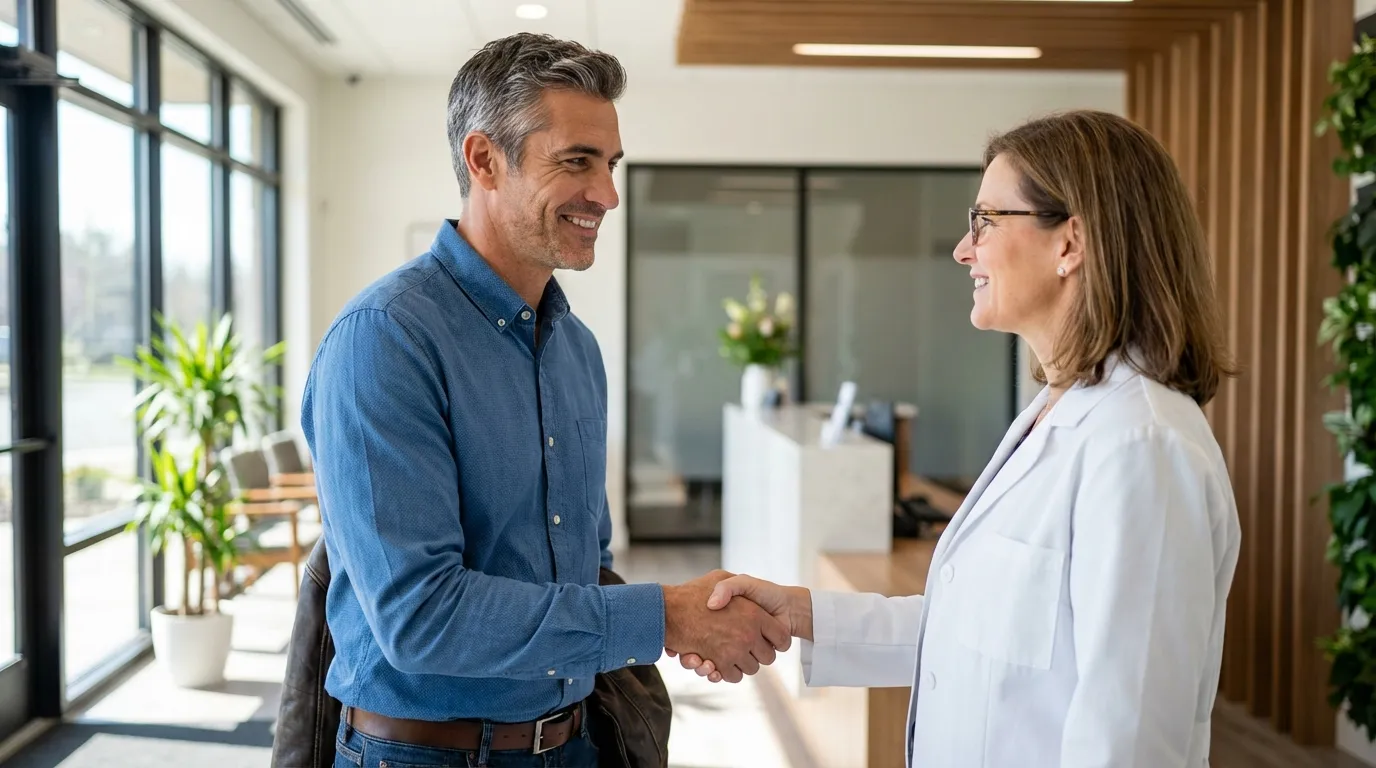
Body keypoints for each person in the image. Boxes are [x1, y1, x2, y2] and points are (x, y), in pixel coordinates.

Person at [673, 110, 1242, 768]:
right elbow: (972, 632)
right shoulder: (1056, 415)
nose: (963, 249)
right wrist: (803, 614)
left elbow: (1131, 736)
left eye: (985, 221)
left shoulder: (1142, 447)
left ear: (1070, 243)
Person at [302, 33, 789, 768]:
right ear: (483, 160)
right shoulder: (386, 340)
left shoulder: (576, 350)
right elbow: (420, 617)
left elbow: (583, 566)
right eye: (577, 161)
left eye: (611, 164)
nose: (608, 194)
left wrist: (698, 621)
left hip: (575, 741)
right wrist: (664, 618)